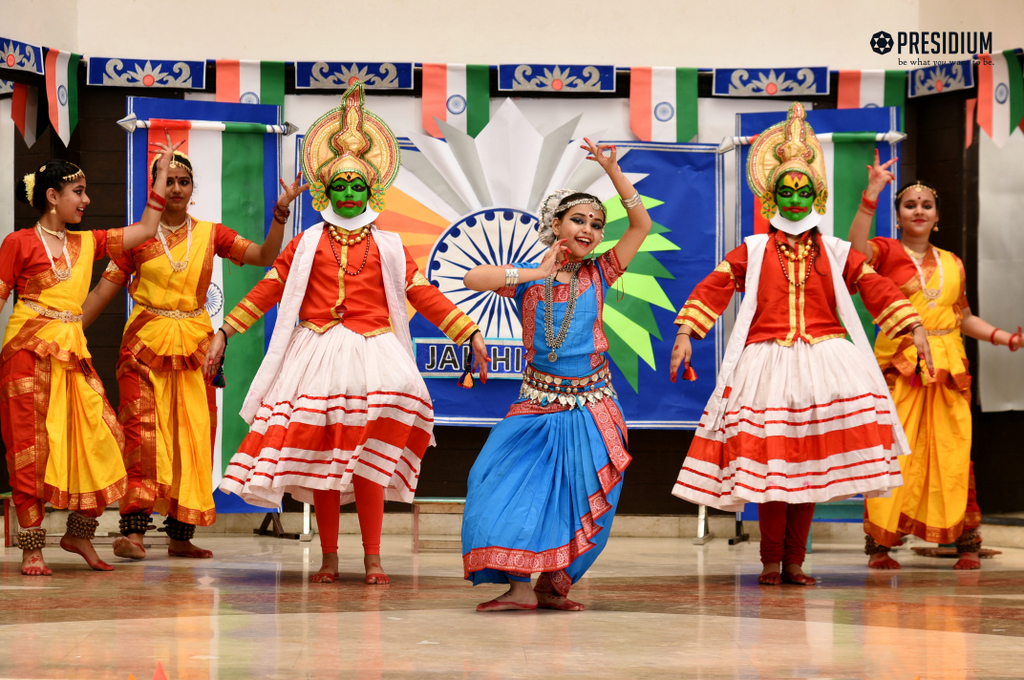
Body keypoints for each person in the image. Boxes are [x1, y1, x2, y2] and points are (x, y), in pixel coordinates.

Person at [207, 81, 489, 585]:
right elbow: (267, 291)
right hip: (316, 356)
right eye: (340, 185)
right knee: (324, 467)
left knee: (367, 464)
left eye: (359, 186)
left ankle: (374, 557)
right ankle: (331, 557)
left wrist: (468, 333)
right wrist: (225, 331)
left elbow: (422, 294)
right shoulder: (305, 243)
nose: (350, 193)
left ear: (372, 190)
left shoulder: (393, 245)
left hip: (376, 354)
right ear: (325, 190)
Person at [669, 102, 934, 586]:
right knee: (773, 477)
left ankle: (796, 563)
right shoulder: (752, 249)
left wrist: (913, 326)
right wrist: (686, 331)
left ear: (817, 194)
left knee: (807, 472)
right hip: (767, 368)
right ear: (772, 197)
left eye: (803, 190)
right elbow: (716, 285)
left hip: (825, 368)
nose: (794, 199)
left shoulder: (835, 251)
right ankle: (772, 561)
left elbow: (875, 284)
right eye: (786, 191)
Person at [79, 151, 304, 560]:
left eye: (184, 181)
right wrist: (67, 335)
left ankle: (180, 536)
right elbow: (100, 293)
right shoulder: (136, 238)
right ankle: (135, 534)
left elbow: (264, 257)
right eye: (168, 180)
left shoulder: (211, 234)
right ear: (155, 187)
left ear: (192, 188)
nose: (177, 188)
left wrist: (280, 215)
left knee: (194, 437)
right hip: (143, 347)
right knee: (143, 437)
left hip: (197, 350)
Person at [460, 138, 651, 611]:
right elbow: (472, 280)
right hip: (537, 403)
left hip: (592, 404)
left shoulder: (601, 272)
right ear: (556, 225)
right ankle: (518, 589)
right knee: (497, 479)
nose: (588, 229)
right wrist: (528, 275)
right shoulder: (527, 278)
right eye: (578, 219)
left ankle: (550, 586)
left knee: (577, 497)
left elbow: (641, 224)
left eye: (596, 224)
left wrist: (613, 175)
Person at [3, 137, 177, 575]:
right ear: (52, 196)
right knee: (30, 448)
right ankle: (31, 548)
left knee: (105, 440)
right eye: (77, 192)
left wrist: (159, 179)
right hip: (26, 351)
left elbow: (145, 231)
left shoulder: (87, 243)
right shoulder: (18, 243)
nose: (86, 199)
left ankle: (79, 531)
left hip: (71, 354)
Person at [849, 155, 1022, 570]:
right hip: (902, 366)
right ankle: (882, 546)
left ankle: (965, 540)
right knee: (896, 452)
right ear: (898, 216)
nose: (919, 210)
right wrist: (870, 196)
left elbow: (962, 317)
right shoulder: (884, 252)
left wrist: (1005, 338)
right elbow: (854, 250)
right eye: (910, 204)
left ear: (937, 216)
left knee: (952, 451)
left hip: (949, 369)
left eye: (926, 205)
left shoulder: (952, 262)